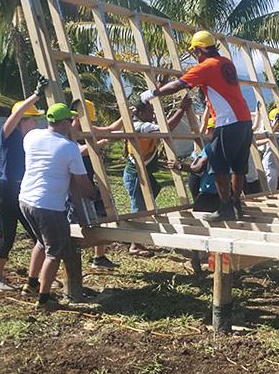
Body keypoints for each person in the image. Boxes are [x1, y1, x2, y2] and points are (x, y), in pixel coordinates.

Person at [140, 30, 252, 222]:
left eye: (195, 53)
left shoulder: (206, 67)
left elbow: (178, 85)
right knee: (239, 166)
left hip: (227, 122)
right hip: (244, 121)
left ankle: (225, 208)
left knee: (219, 166)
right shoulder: (226, 62)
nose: (195, 57)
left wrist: (152, 93)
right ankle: (236, 205)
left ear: (200, 50)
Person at [19, 103, 98, 309]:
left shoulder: (32, 136)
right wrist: (95, 194)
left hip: (26, 200)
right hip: (49, 206)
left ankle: (31, 284)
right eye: (70, 121)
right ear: (64, 122)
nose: (72, 124)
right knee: (55, 252)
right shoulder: (68, 147)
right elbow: (81, 182)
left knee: (41, 242)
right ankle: (45, 299)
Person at [0, 86, 45, 292]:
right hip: (6, 191)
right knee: (7, 237)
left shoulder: (32, 141)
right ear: (22, 121)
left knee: (38, 236)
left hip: (24, 192)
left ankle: (36, 278)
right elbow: (15, 114)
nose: (36, 122)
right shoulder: (7, 135)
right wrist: (36, 96)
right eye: (32, 119)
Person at [124, 95, 191, 255]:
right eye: (149, 111)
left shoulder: (144, 124)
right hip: (136, 174)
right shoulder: (140, 126)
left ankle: (139, 236)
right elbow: (166, 129)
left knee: (150, 197)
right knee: (139, 209)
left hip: (144, 172)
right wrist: (181, 109)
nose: (152, 114)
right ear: (139, 113)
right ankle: (134, 245)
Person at [68, 99, 122, 269]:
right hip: (74, 185)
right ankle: (71, 258)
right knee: (75, 224)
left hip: (88, 179)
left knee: (100, 216)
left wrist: (129, 113)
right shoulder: (67, 133)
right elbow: (76, 151)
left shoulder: (87, 130)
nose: (90, 124)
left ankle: (99, 257)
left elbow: (110, 129)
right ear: (77, 118)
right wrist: (99, 144)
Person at [256, 107, 279, 191]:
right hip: (270, 165)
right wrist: (276, 122)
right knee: (270, 190)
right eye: (278, 122)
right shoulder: (270, 131)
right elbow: (270, 133)